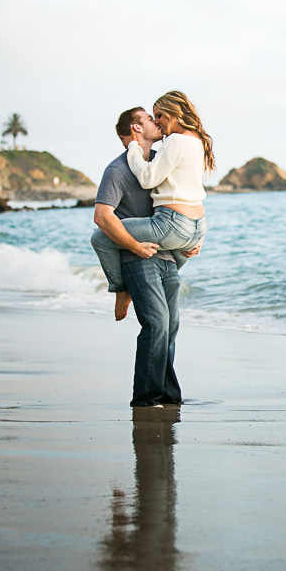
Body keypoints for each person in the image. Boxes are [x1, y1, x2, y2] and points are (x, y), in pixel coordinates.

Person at [91, 107, 195, 407]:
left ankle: (169, 396)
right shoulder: (118, 170)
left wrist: (188, 238)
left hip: (167, 257)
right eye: (150, 118)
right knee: (157, 323)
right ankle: (146, 399)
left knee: (171, 326)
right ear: (137, 129)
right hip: (137, 259)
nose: (157, 121)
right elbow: (102, 216)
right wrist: (135, 247)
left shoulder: (159, 162)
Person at [91, 91, 213, 303]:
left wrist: (133, 149)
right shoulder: (198, 140)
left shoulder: (175, 140)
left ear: (172, 113)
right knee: (166, 294)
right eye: (153, 117)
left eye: (159, 116)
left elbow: (148, 179)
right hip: (198, 227)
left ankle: (121, 290)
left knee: (100, 238)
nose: (157, 122)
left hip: (173, 224)